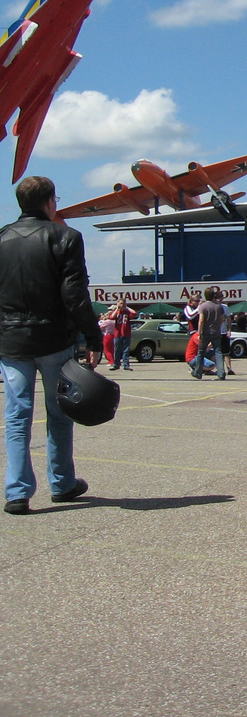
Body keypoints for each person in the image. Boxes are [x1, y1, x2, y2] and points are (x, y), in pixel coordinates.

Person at [0, 176, 101, 514]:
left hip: (11, 341)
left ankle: (17, 491)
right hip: (54, 339)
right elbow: (74, 293)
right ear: (49, 203)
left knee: (17, 415)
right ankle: (61, 482)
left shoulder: (1, 238)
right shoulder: (66, 237)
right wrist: (92, 336)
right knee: (58, 412)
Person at [195, 287, 228, 381]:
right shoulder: (219, 306)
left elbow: (201, 320)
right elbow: (223, 318)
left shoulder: (203, 306)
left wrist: (199, 332)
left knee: (201, 352)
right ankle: (221, 372)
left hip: (205, 332)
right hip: (216, 332)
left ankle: (198, 372)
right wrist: (218, 326)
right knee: (218, 352)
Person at [111, 296, 135, 371]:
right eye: (121, 303)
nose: (122, 305)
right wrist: (117, 308)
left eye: (123, 304)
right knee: (117, 350)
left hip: (126, 333)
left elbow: (134, 313)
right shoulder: (117, 312)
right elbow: (112, 317)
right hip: (117, 334)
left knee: (126, 350)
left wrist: (126, 307)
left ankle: (126, 365)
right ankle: (116, 364)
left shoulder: (127, 312)